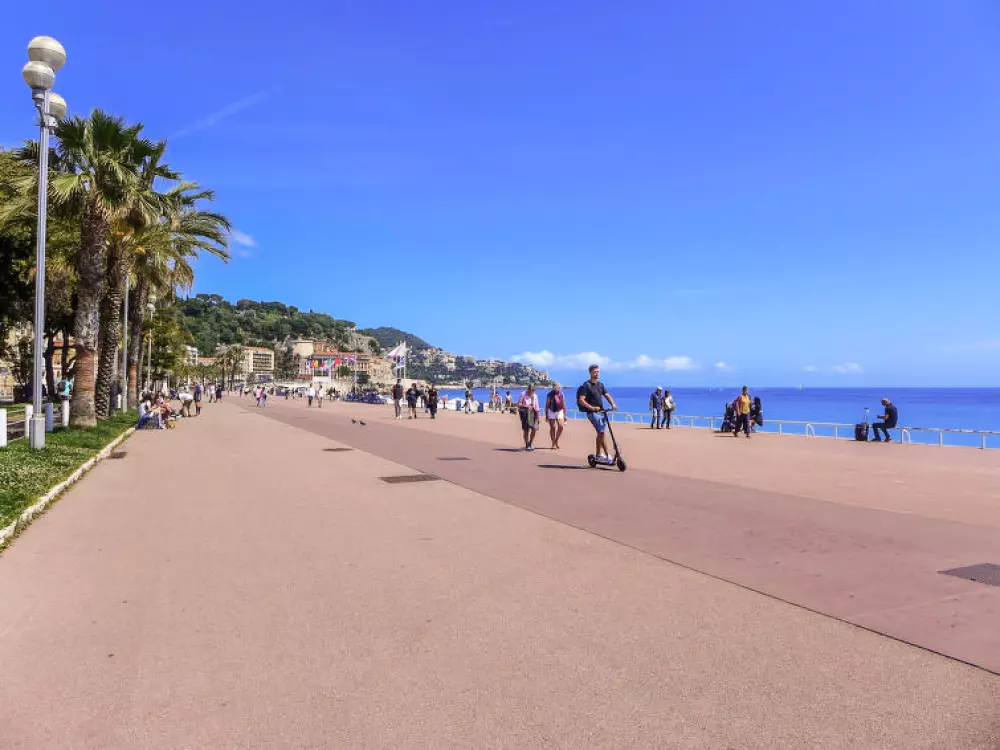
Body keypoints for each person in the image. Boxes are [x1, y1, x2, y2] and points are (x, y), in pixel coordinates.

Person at [576, 364, 618, 460]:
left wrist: (613, 404)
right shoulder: (586, 386)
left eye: (598, 372)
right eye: (595, 372)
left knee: (600, 433)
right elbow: (581, 400)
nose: (597, 373)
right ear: (590, 373)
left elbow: (607, 395)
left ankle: (598, 454)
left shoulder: (600, 385)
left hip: (602, 412)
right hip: (592, 413)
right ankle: (607, 455)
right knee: (601, 433)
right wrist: (591, 408)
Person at [518, 384, 541, 450]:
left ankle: (530, 443)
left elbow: (537, 407)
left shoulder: (535, 396)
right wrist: (526, 405)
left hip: (533, 414)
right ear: (528, 389)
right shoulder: (523, 394)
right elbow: (518, 404)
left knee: (534, 429)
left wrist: (538, 417)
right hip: (525, 414)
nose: (532, 391)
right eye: (531, 390)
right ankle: (527, 444)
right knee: (526, 430)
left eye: (533, 390)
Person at [545, 383, 567, 449]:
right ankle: (553, 443)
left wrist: (565, 415)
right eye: (557, 387)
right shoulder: (549, 395)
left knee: (561, 426)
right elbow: (547, 405)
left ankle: (556, 440)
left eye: (559, 387)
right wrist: (546, 416)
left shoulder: (561, 394)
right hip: (551, 411)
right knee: (553, 427)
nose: (558, 388)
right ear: (553, 387)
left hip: (559, 411)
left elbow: (563, 405)